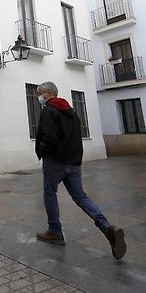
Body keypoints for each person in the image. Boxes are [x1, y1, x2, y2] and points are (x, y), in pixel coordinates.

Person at [35, 81, 126, 260]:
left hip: (55, 162)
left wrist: (41, 152)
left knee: (49, 194)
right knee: (81, 197)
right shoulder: (72, 111)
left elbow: (50, 138)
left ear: (49, 93)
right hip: (74, 162)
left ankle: (55, 232)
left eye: (40, 93)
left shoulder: (49, 111)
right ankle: (107, 228)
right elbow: (76, 137)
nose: (39, 96)